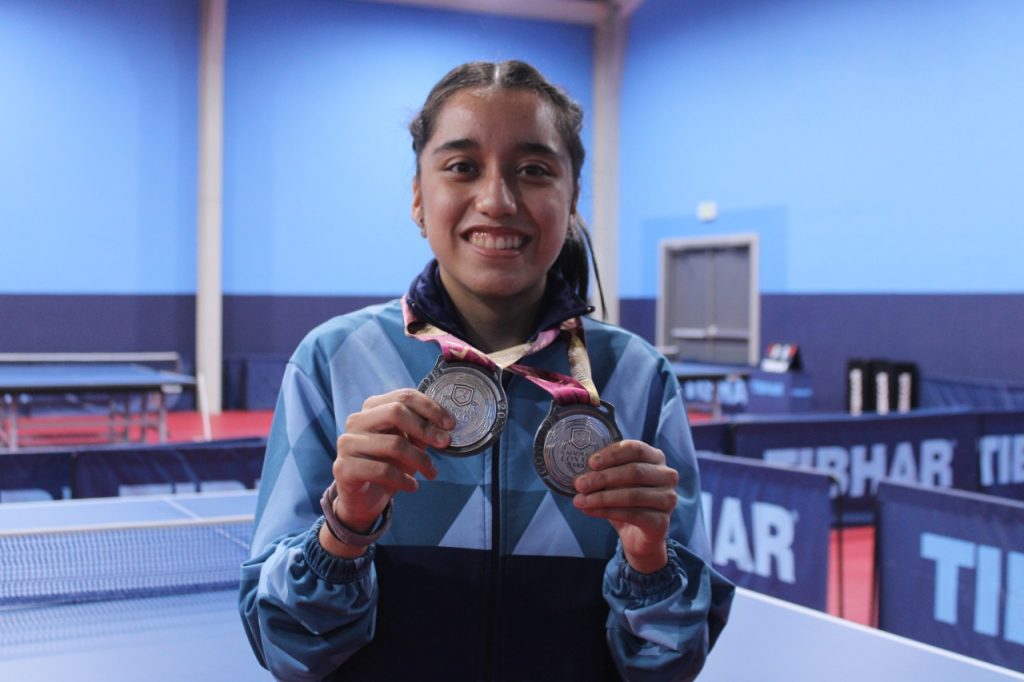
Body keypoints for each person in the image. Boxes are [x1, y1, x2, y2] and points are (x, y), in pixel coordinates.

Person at [239, 59, 733, 681]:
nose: (497, 200)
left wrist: (648, 561)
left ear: (572, 201)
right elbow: (286, 646)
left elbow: (670, 664)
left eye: (534, 170)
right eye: (461, 166)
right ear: (418, 196)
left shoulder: (637, 377)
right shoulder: (332, 362)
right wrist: (345, 529)